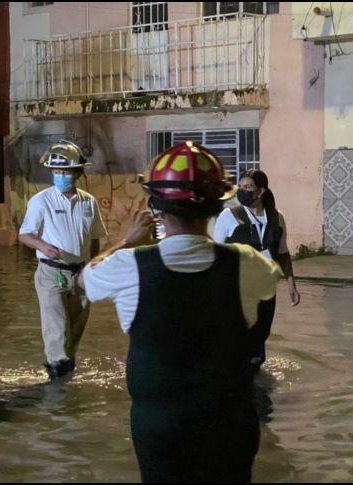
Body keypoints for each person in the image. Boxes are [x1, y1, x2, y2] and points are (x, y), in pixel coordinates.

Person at [79, 142, 281, 482]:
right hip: (230, 424)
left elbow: (84, 279)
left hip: (160, 429)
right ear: (218, 204)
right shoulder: (246, 262)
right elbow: (270, 284)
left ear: (155, 206)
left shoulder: (129, 265)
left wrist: (127, 240)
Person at [18, 140, 107, 380]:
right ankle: (56, 378)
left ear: (78, 172)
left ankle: (66, 375)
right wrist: (43, 247)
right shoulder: (41, 201)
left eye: (65, 171)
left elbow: (95, 238)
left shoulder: (89, 202)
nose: (60, 176)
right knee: (56, 328)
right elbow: (25, 235)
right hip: (51, 273)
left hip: (81, 274)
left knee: (75, 329)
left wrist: (92, 267)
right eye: (56, 171)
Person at [213, 168, 300, 368]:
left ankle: (255, 370)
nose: (243, 191)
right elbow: (216, 253)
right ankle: (236, 369)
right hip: (238, 286)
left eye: (248, 187)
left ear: (260, 191)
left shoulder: (276, 217)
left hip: (266, 285)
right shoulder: (229, 215)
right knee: (238, 330)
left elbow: (283, 253)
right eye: (241, 187)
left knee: (262, 331)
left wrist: (291, 284)